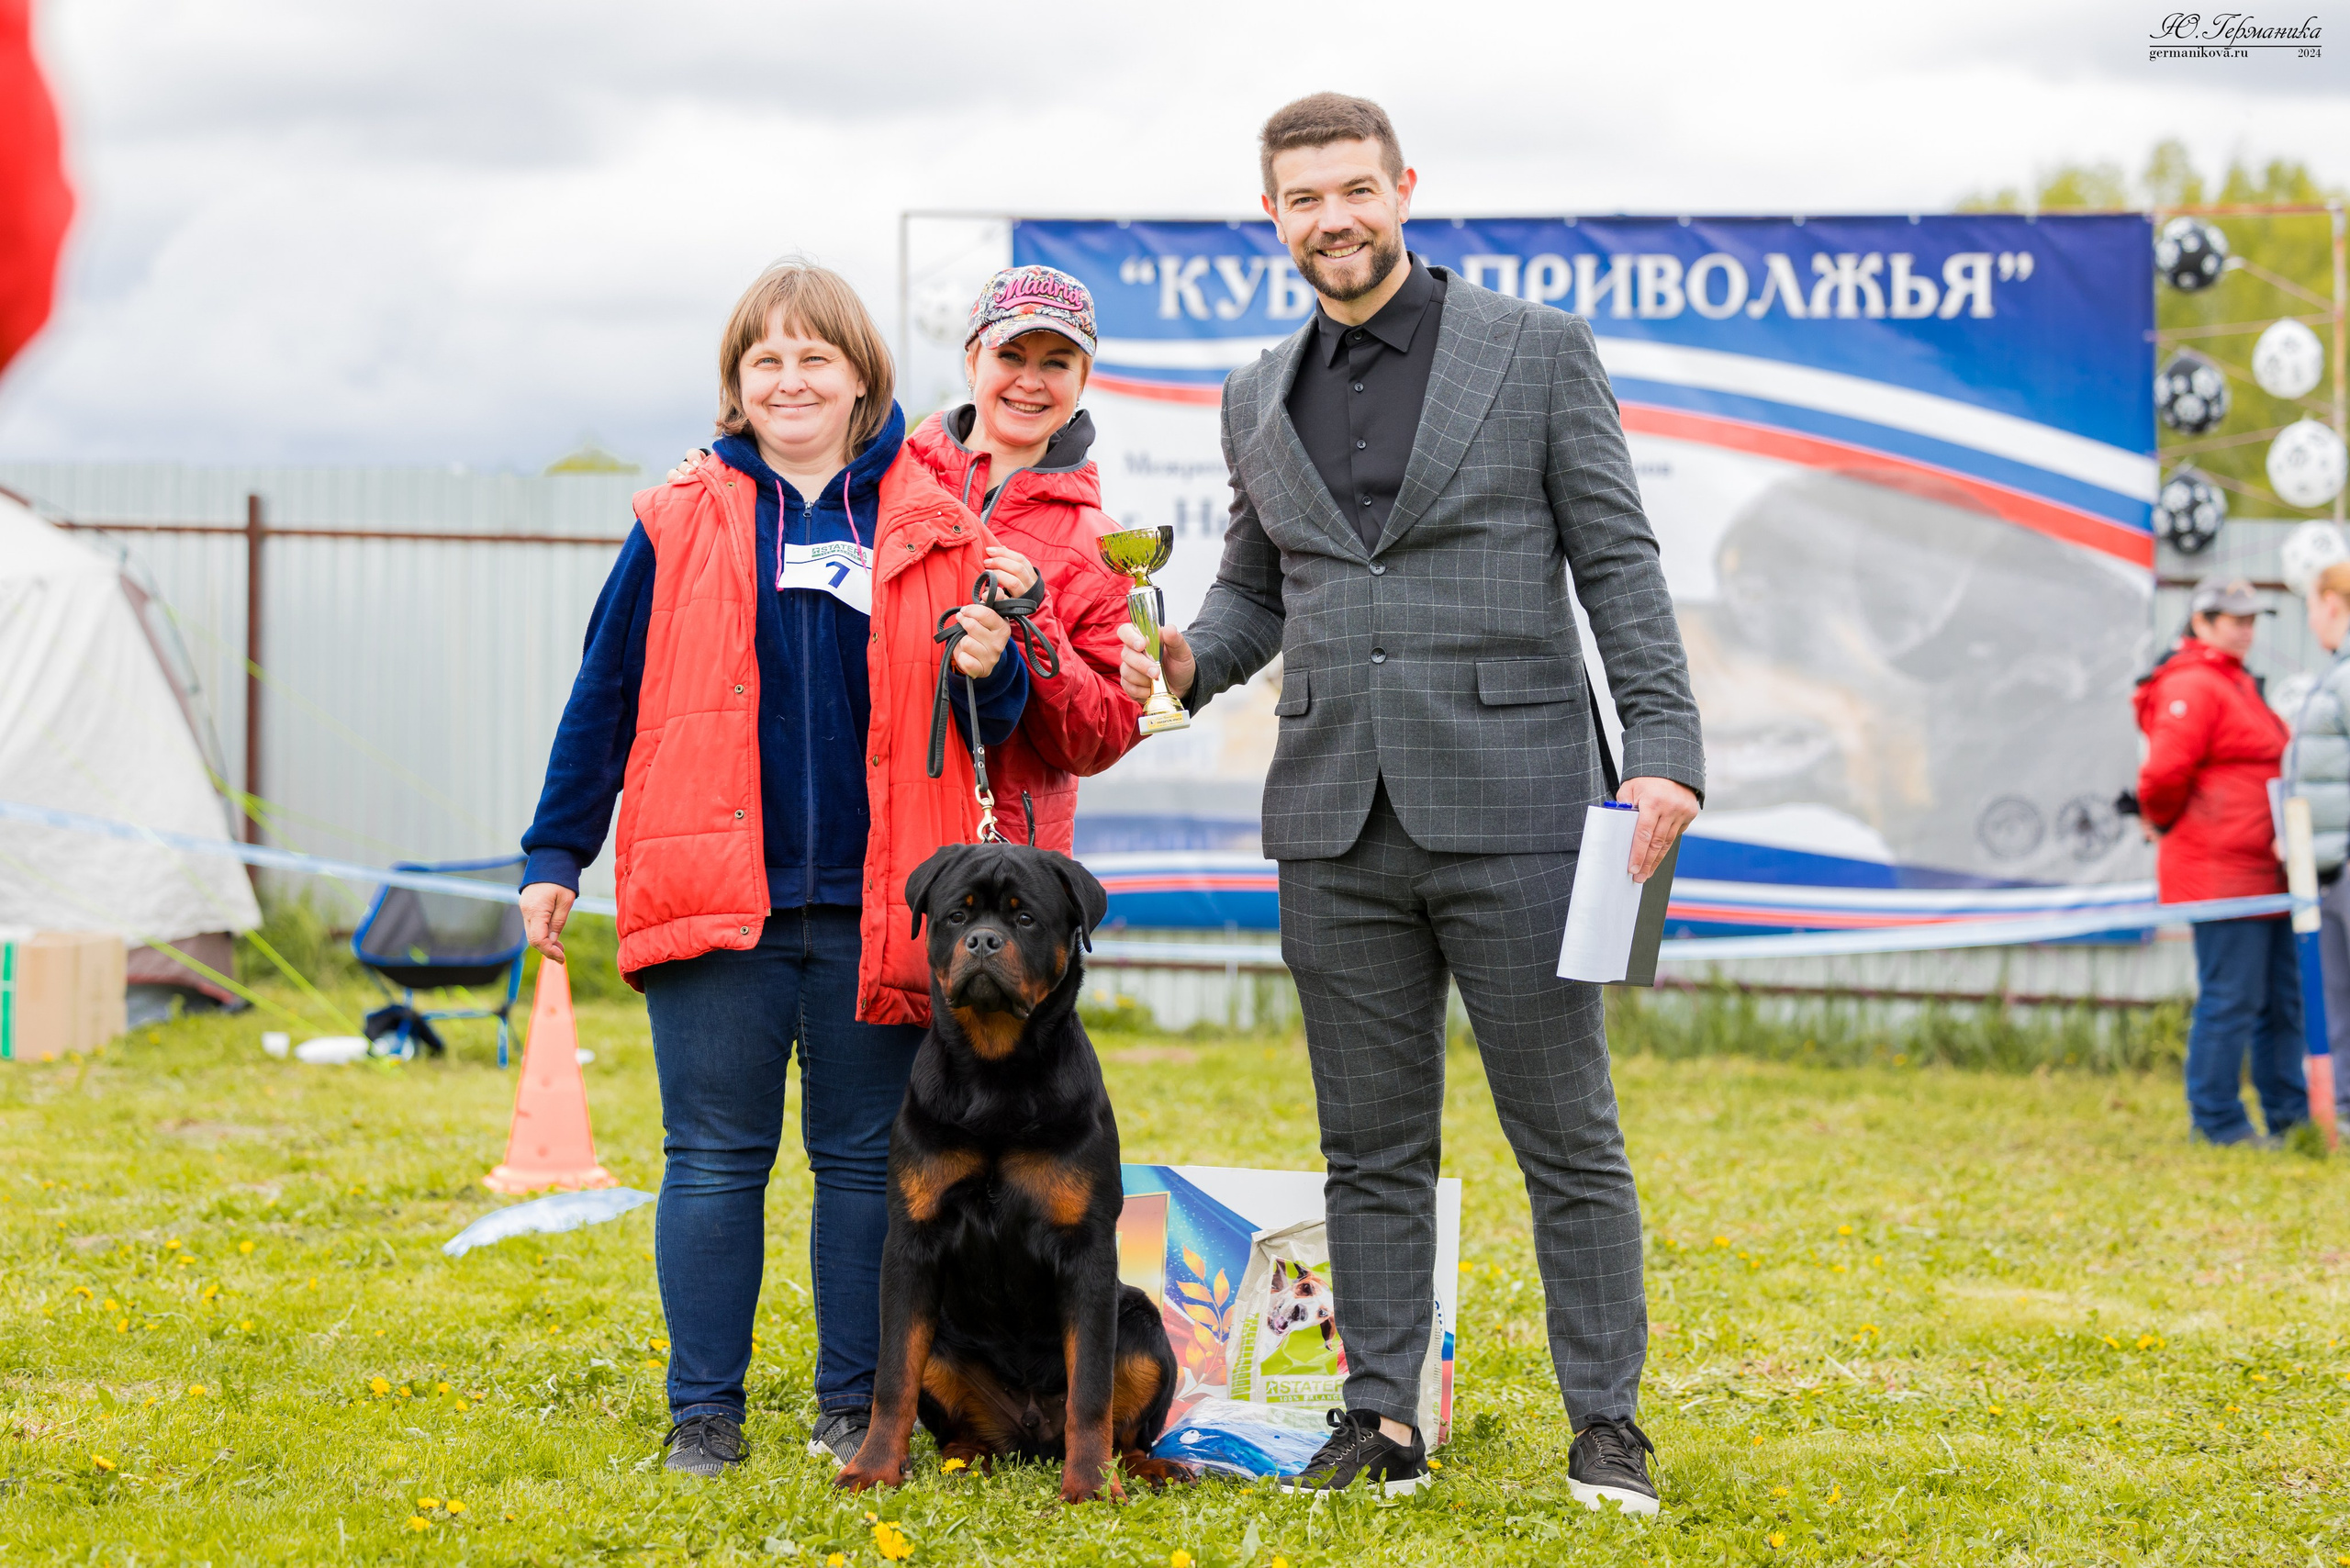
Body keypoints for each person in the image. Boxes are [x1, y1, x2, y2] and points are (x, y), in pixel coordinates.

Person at [1118, 94, 1703, 1514]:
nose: (1335, 218)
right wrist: (1191, 660)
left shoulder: (1535, 350)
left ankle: (1606, 1429)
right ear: (1274, 218)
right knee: (1367, 1146)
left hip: (1523, 803)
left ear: (1404, 188)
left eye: (1356, 189)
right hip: (1333, 819)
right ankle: (1382, 1418)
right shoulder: (1256, 391)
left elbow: (1616, 562)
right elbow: (1261, 589)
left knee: (1566, 1134)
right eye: (1304, 199)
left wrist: (1664, 746)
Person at [516, 262, 1027, 1478]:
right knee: (712, 1160)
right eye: (765, 361)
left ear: (862, 379)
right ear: (738, 387)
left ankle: (850, 1408)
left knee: (863, 1168)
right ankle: (706, 1419)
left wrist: (996, 664)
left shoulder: (938, 523)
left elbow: (996, 711)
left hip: (878, 903)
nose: (789, 380)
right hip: (716, 898)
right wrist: (556, 849)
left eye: (814, 359)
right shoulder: (675, 519)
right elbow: (604, 698)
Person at [901, 265, 1147, 848]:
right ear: (971, 361)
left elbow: (1099, 742)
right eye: (1010, 355)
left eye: (1057, 362)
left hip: (1007, 873)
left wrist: (1038, 624)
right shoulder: (889, 485)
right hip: (877, 840)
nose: (1030, 381)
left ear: (1082, 380)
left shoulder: (1102, 545)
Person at [2134, 575, 2305, 1146]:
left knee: (2280, 999)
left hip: (2267, 871)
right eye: (2235, 620)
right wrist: (2163, 824)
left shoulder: (2234, 682)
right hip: (2221, 871)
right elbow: (2161, 775)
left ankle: (2289, 1116)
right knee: (2231, 999)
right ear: (2200, 622)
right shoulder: (2195, 684)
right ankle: (2216, 1121)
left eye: (2253, 620)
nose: (2247, 630)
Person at [2286, 559, 2350, 1125]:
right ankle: (2342, 1114)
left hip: (2344, 858)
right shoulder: (2338, 670)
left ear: (2332, 602)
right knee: (2335, 992)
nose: (2310, 621)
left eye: (2310, 607)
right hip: (2328, 859)